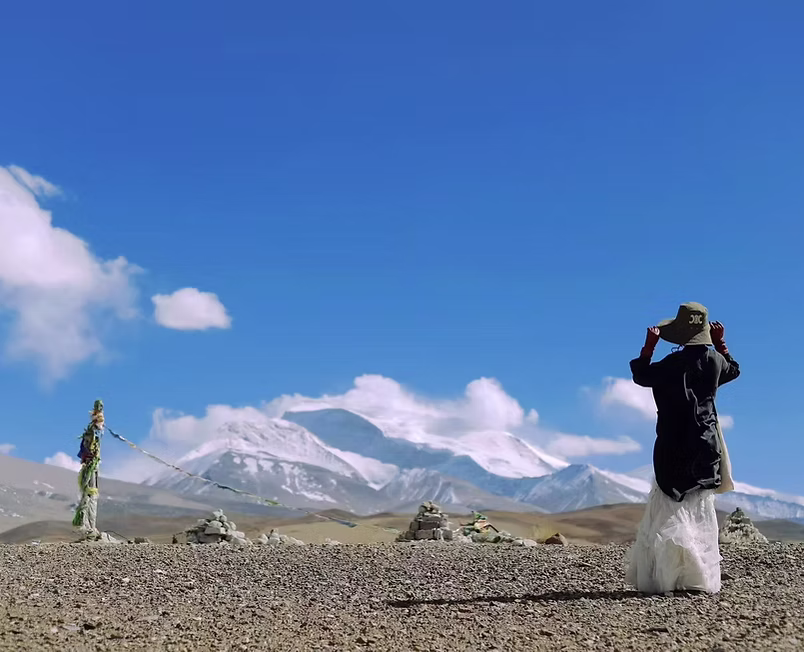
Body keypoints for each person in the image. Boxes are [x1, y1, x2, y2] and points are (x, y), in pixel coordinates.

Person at [625, 302, 740, 595]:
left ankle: (668, 577)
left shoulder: (670, 366)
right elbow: (733, 370)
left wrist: (648, 347)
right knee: (699, 506)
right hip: (706, 443)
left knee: (669, 507)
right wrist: (722, 343)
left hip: (672, 443)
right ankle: (698, 576)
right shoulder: (714, 361)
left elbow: (641, 375)